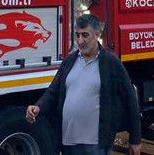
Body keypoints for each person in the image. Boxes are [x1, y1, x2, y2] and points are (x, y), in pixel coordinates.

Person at [26, 13, 141, 155]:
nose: (80, 41)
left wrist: (135, 139)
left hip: (96, 145)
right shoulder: (69, 61)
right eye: (77, 35)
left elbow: (130, 101)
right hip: (68, 141)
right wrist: (38, 106)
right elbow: (53, 92)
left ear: (97, 34)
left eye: (85, 35)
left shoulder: (111, 64)